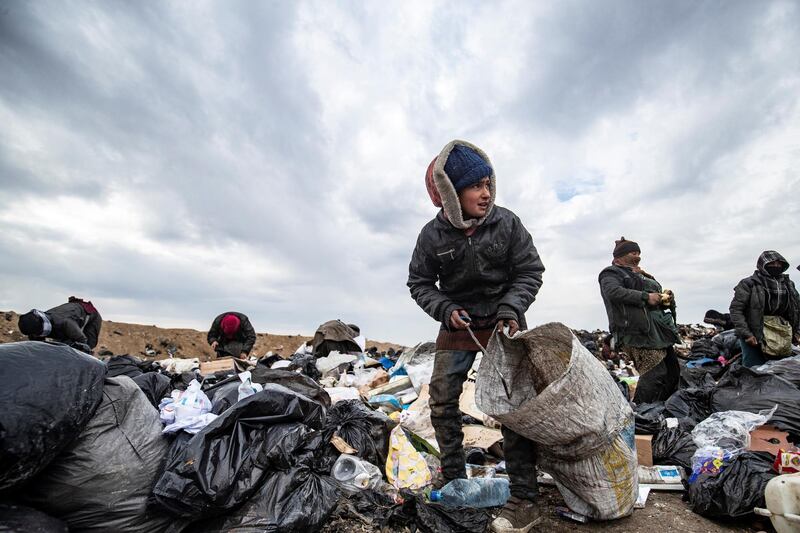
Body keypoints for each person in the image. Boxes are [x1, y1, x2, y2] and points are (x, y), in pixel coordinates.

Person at [407, 140, 545, 532]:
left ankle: (524, 498)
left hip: (504, 320)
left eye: (488, 183)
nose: (486, 193)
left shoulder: (507, 223)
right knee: (442, 399)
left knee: (513, 403)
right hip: (458, 322)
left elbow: (530, 271)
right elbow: (419, 282)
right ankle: (453, 480)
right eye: (475, 186)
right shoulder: (432, 236)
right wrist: (445, 310)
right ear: (451, 193)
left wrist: (511, 308)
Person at [598, 238, 680, 404]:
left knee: (672, 372)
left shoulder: (641, 275)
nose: (636, 255)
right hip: (637, 332)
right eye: (631, 252)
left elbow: (653, 299)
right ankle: (642, 412)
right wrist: (645, 297)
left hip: (657, 331)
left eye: (637, 252)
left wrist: (665, 299)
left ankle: (661, 410)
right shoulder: (611, 273)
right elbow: (613, 292)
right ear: (618, 258)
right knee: (654, 373)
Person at [729, 251, 800, 367]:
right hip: (754, 332)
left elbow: (796, 309)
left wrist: (796, 331)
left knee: (780, 368)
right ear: (762, 265)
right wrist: (746, 334)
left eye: (779, 263)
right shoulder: (749, 284)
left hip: (780, 332)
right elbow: (736, 310)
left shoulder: (788, 284)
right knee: (754, 368)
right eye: (772, 263)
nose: (776, 266)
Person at [17, 296, 102, 353]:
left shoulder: (65, 322)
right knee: (61, 347)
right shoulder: (34, 327)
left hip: (92, 317)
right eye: (33, 334)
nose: (34, 335)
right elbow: (37, 348)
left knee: (86, 347)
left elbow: (82, 341)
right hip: (65, 321)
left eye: (36, 333)